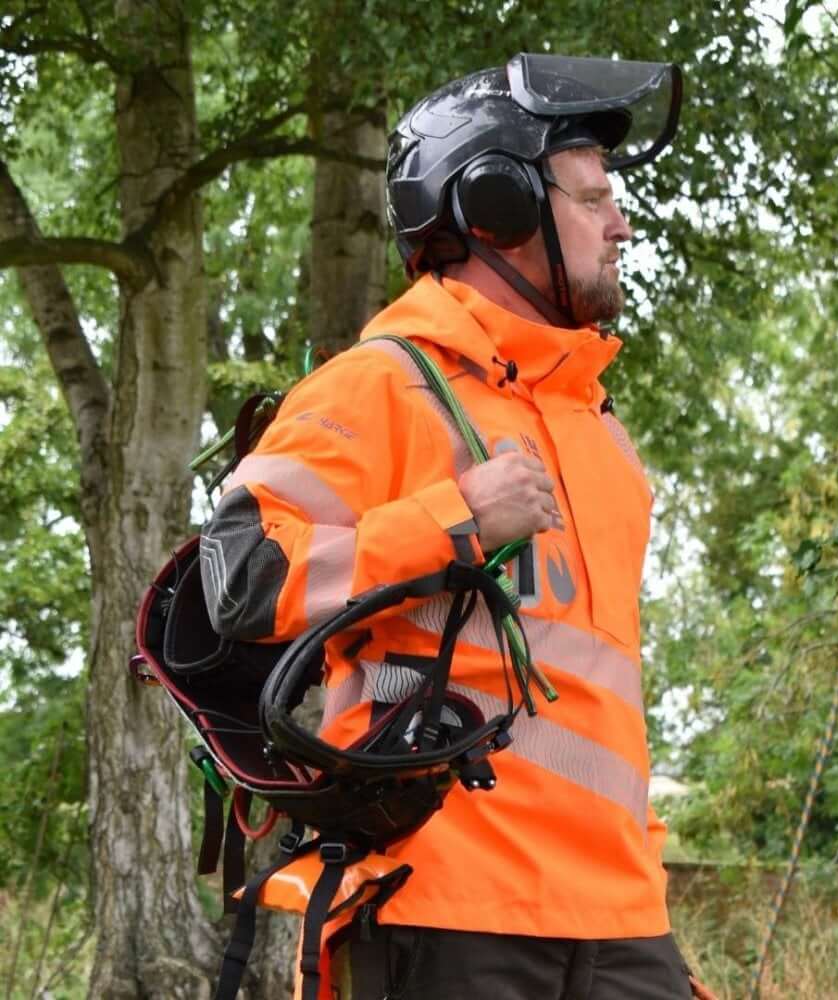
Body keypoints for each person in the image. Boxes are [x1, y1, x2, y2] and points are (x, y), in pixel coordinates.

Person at [201, 53, 707, 999]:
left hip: (623, 920)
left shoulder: (602, 435)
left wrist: (649, 906)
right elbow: (244, 579)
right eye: (592, 198)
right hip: (445, 907)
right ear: (498, 205)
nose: (621, 222)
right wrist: (452, 519)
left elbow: (593, 707)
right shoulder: (381, 383)